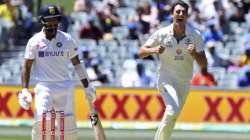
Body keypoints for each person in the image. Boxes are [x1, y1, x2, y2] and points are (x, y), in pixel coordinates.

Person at [17, 4, 97, 140]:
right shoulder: (34, 42)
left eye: (55, 19)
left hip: (65, 86)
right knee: (41, 122)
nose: (53, 23)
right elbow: (27, 66)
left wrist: (87, 85)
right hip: (44, 86)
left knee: (68, 127)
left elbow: (77, 64)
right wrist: (24, 90)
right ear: (42, 21)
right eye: (49, 19)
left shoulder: (67, 39)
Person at [138, 1, 207, 140]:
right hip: (166, 79)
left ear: (187, 16)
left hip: (184, 82)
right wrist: (154, 50)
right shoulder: (162, 34)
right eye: (177, 11)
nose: (180, 14)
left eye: (183, 12)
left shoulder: (195, 35)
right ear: (172, 14)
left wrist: (195, 53)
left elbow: (204, 64)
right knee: (172, 110)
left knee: (173, 116)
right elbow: (141, 52)